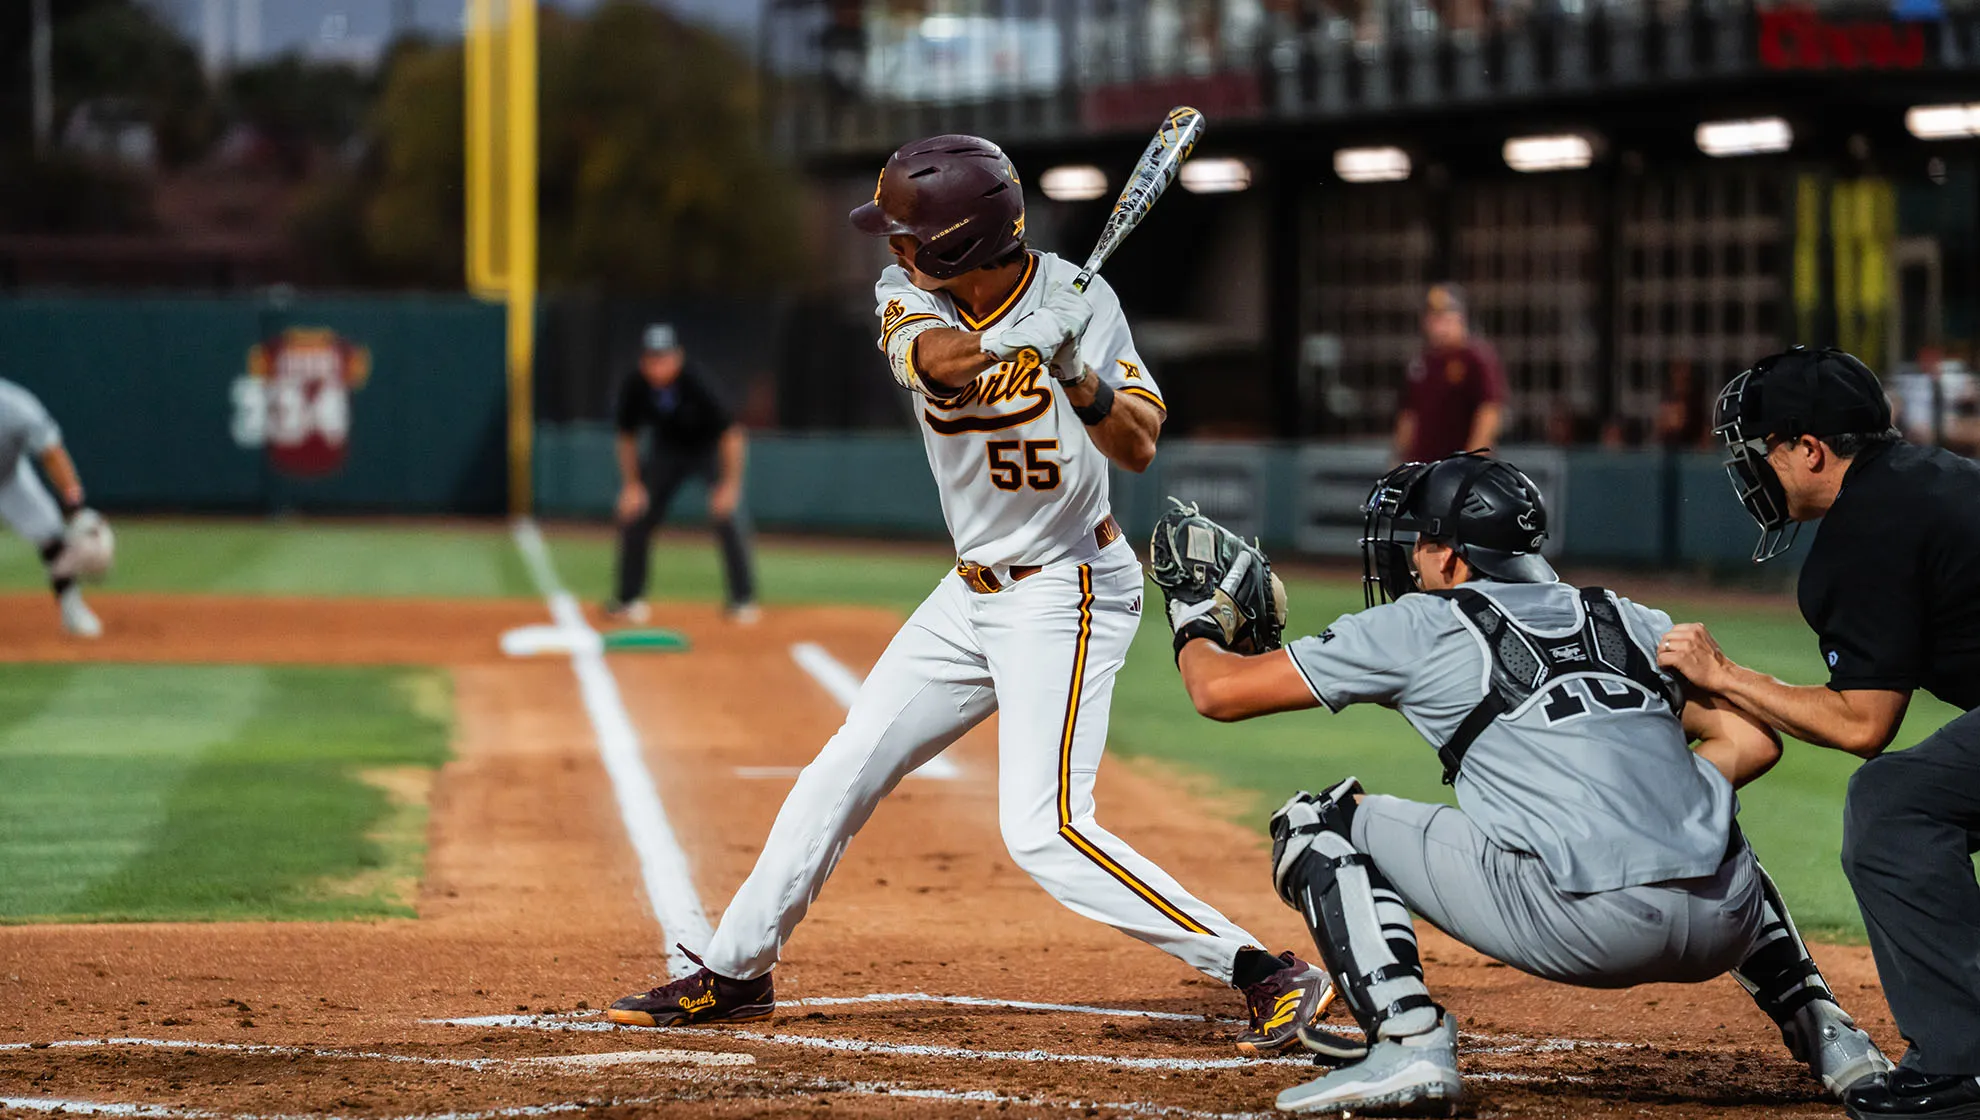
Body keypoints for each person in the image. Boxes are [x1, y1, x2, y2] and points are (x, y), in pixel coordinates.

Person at [605, 133, 1334, 1055]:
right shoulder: (905, 293)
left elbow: (1141, 443)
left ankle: (1262, 970)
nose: (889, 245)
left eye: (905, 232)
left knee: (1044, 829)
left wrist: (1080, 376)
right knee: (845, 764)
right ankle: (737, 971)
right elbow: (934, 362)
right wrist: (1005, 342)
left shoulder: (1085, 300)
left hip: (1066, 591)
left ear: (950, 244)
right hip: (970, 593)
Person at [1146, 452, 1891, 1115]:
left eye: (1420, 544)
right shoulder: (1626, 616)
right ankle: (1831, 1036)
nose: (1411, 562)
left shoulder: (1421, 622)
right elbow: (1751, 740)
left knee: (1318, 822)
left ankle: (1407, 1039)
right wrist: (1640, 798)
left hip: (1586, 931)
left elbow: (1219, 692)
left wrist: (1192, 612)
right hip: (1724, 924)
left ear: (1451, 556)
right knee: (1696, 815)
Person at [1659, 346, 1980, 1120]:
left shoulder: (1866, 529)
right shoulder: (1927, 481)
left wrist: (1726, 675)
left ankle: (1964, 1067)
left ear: (1809, 449)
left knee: (1894, 805)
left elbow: (1863, 724)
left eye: (1759, 451)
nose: (1750, 473)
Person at [607, 324, 757, 623]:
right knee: (637, 513)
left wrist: (729, 485)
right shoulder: (636, 384)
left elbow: (732, 434)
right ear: (643, 360)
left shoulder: (696, 381)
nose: (658, 365)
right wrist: (632, 485)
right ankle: (628, 598)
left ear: (678, 356)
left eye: (664, 357)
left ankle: (743, 600)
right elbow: (626, 436)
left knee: (727, 515)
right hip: (667, 451)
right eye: (652, 358)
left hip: (707, 450)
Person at [0, 378, 110, 638]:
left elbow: (52, 453)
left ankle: (73, 610)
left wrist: (75, 507)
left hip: (7, 478)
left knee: (51, 535)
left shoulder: (16, 407)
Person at [1392, 283, 1505, 463]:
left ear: (1461, 318)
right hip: (1424, 465)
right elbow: (1409, 415)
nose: (1438, 325)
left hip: (1458, 467)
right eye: (1433, 317)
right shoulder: (1422, 362)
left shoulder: (1475, 357)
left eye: (1445, 316)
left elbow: (1489, 411)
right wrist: (1399, 460)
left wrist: (1472, 459)